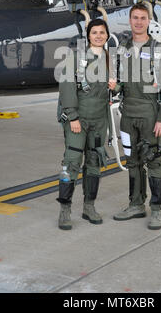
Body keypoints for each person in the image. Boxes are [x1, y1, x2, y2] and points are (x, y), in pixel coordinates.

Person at [113, 3, 161, 229]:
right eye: (135, 18)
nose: (138, 22)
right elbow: (119, 82)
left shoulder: (160, 50)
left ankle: (157, 209)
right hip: (128, 115)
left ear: (149, 21)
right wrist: (114, 87)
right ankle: (136, 205)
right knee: (133, 163)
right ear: (129, 21)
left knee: (155, 161)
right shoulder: (122, 49)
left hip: (150, 115)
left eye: (142, 18)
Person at [56, 18, 116, 230]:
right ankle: (64, 209)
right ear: (88, 36)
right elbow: (66, 87)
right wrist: (72, 117)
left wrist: (115, 87)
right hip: (78, 118)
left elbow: (116, 89)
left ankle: (89, 206)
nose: (98, 36)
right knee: (71, 162)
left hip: (99, 120)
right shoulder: (75, 57)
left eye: (102, 32)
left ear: (107, 35)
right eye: (94, 32)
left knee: (94, 162)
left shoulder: (110, 59)